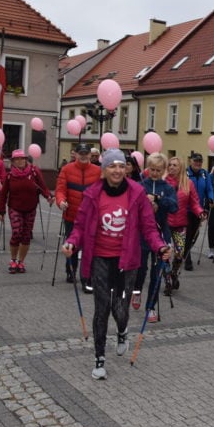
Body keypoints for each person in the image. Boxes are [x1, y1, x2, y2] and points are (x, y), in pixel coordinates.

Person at [62, 149, 170, 380]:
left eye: (121, 165)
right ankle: (99, 359)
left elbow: (149, 228)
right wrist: (71, 242)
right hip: (100, 259)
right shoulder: (92, 194)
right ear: (104, 170)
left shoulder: (137, 193)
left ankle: (122, 330)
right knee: (102, 309)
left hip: (126, 261)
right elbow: (80, 226)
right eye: (112, 166)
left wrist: (160, 247)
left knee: (120, 310)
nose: (117, 170)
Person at [134, 153, 177, 319]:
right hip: (142, 234)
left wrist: (159, 199)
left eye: (158, 170)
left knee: (156, 272)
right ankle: (136, 291)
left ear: (164, 170)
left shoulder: (168, 188)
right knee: (140, 269)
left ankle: (150, 307)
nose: (155, 173)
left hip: (161, 234)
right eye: (152, 169)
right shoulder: (140, 185)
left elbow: (174, 207)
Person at [55, 142, 102, 292]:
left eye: (85, 153)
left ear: (90, 155)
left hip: (91, 217)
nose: (83, 156)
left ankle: (86, 278)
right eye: (80, 153)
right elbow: (60, 190)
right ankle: (71, 270)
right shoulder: (66, 169)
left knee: (89, 247)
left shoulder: (98, 171)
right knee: (72, 245)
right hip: (71, 215)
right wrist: (61, 201)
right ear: (75, 154)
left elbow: (101, 191)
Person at [0, 149, 53, 274]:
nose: (20, 161)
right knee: (17, 232)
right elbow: (3, 194)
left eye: (22, 158)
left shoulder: (34, 172)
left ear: (26, 160)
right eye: (17, 159)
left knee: (26, 235)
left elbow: (42, 186)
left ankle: (21, 261)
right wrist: (1, 210)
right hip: (15, 207)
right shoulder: (10, 176)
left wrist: (48, 196)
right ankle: (13, 260)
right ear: (13, 162)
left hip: (30, 208)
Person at [165, 156, 205, 287]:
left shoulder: (188, 183)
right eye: (170, 165)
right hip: (165, 224)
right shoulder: (163, 182)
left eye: (175, 165)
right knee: (165, 253)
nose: (171, 167)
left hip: (180, 224)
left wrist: (200, 212)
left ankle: (174, 273)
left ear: (181, 167)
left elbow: (194, 203)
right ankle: (167, 279)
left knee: (179, 253)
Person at [185, 153, 213, 271]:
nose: (198, 163)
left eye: (200, 161)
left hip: (198, 209)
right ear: (190, 161)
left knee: (194, 235)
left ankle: (184, 252)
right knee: (188, 235)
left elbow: (209, 189)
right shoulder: (185, 173)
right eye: (195, 161)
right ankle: (187, 260)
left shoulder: (205, 174)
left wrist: (211, 198)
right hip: (186, 209)